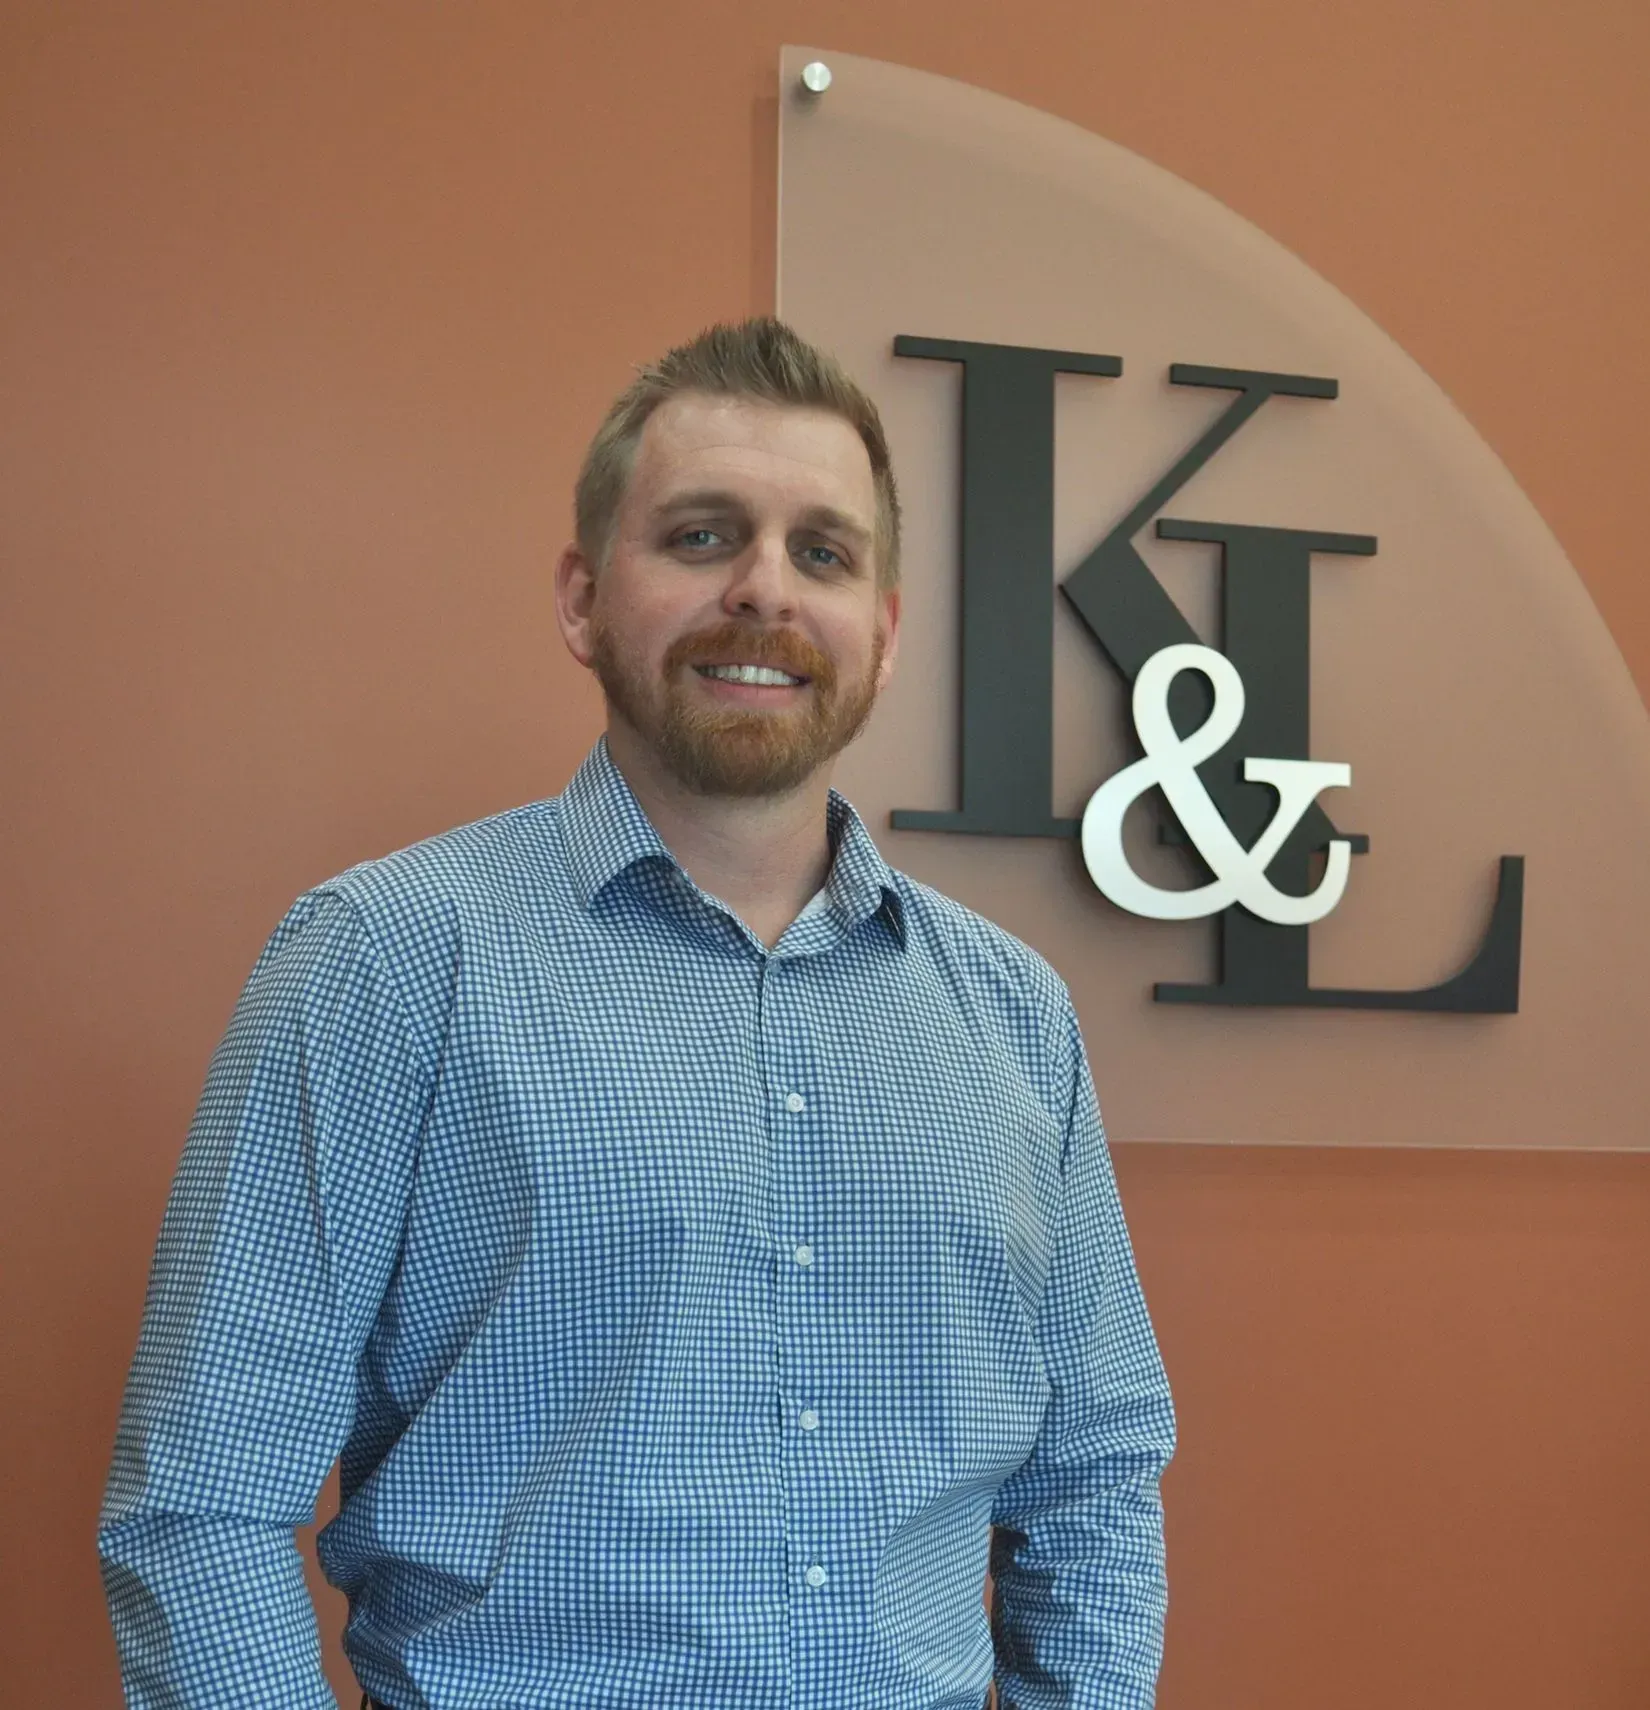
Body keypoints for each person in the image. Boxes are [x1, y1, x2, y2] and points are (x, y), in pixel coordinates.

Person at [99, 318, 1175, 1710]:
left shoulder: (1013, 1012)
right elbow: (199, 1503)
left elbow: (1093, 1479)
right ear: (580, 598)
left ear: (884, 634)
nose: (762, 593)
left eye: (823, 554)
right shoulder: (383, 959)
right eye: (700, 536)